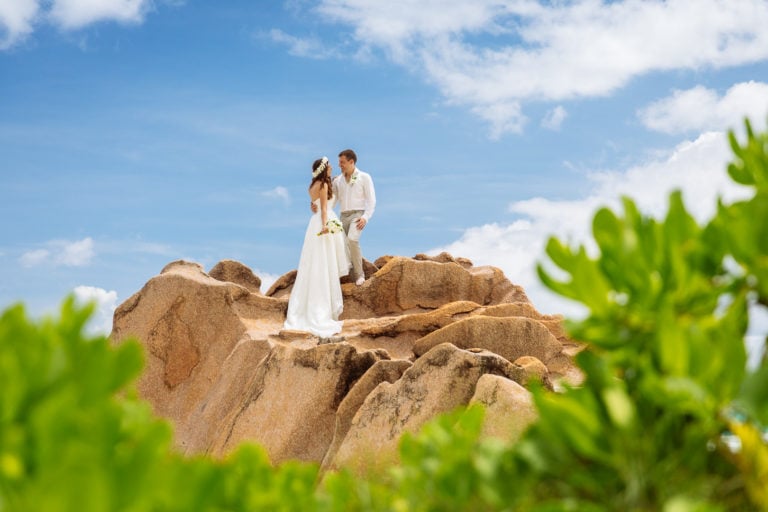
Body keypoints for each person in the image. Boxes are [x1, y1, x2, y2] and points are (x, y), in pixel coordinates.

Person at [283, 157, 350, 338]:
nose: (331, 167)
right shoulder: (323, 185)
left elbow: (316, 204)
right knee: (323, 262)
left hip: (312, 224)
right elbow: (324, 209)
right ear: (323, 169)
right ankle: (321, 309)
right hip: (322, 222)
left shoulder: (312, 185)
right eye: (328, 166)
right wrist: (324, 225)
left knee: (313, 262)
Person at [333, 149, 376, 286]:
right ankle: (349, 275)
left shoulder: (364, 177)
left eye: (342, 162)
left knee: (352, 239)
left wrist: (365, 217)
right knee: (342, 246)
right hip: (342, 216)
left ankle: (359, 275)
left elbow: (371, 200)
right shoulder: (337, 180)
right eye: (339, 162)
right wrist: (319, 207)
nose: (340, 165)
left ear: (351, 162)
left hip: (357, 214)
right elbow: (333, 200)